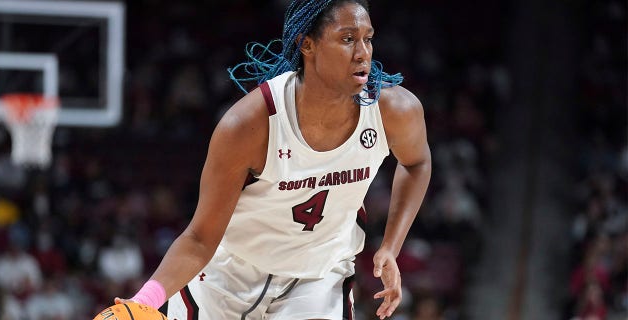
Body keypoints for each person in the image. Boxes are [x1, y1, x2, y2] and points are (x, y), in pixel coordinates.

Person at [115, 0, 431, 319]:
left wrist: (391, 246)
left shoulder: (395, 111)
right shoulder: (249, 125)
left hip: (318, 276)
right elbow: (199, 238)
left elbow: (417, 163)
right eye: (348, 39)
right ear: (306, 44)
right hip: (230, 275)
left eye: (368, 38)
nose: (363, 52)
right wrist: (142, 302)